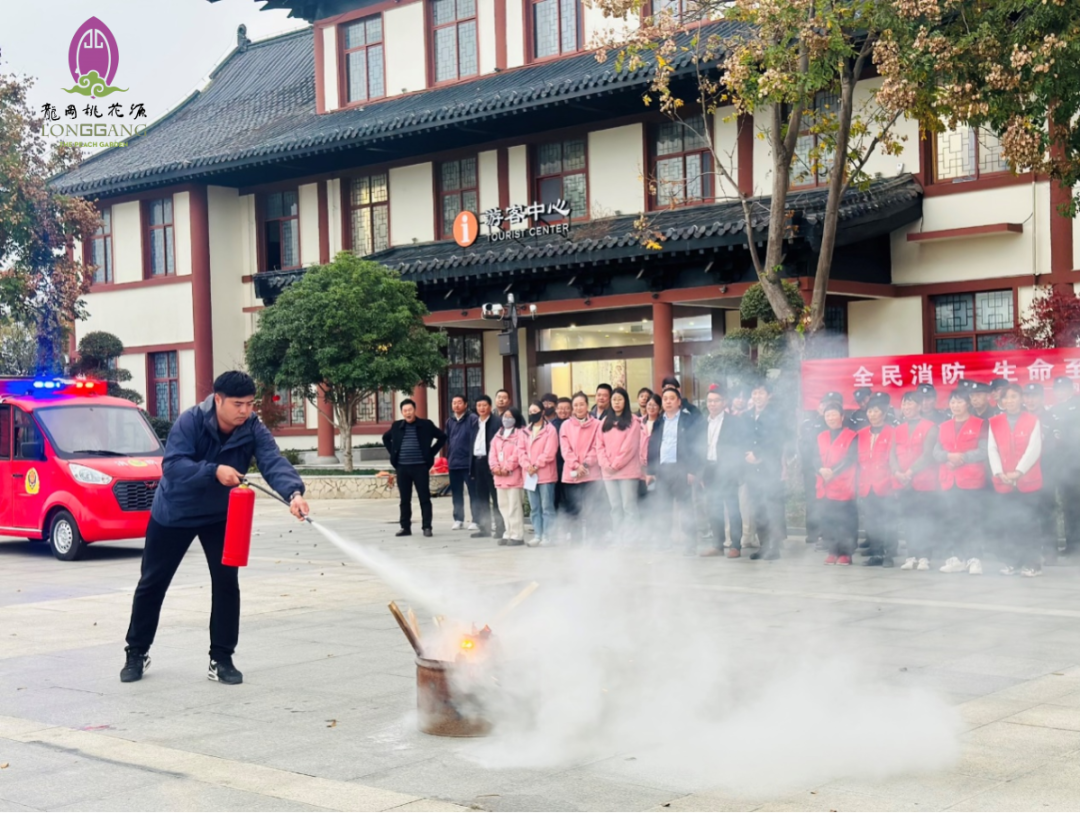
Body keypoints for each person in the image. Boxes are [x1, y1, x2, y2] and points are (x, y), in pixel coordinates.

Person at [121, 371, 309, 685]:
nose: (245, 411)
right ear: (218, 399)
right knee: (152, 583)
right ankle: (136, 652)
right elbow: (173, 464)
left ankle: (221, 658)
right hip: (174, 513)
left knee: (226, 582)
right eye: (238, 404)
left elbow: (272, 460)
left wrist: (294, 493)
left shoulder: (252, 427)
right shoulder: (190, 421)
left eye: (250, 404)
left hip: (220, 516)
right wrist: (214, 471)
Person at [989, 383, 1044, 577]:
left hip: (1027, 481)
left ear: (1021, 399)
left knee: (1028, 524)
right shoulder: (994, 422)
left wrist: (1018, 472)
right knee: (1009, 523)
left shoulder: (1032, 419)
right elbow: (992, 449)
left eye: (1014, 397)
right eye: (1006, 398)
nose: (1010, 401)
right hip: (1004, 481)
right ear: (1000, 401)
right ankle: (1013, 561)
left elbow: (1034, 449)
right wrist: (999, 473)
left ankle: (1033, 563)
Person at [934, 389, 988, 575]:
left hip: (971, 479)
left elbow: (984, 450)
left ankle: (974, 558)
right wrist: (948, 456)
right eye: (952, 402)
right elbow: (936, 452)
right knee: (953, 519)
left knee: (971, 520)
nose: (955, 406)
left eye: (959, 402)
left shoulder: (980, 424)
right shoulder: (944, 426)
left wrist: (962, 457)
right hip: (949, 479)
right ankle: (956, 557)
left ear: (968, 404)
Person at [644, 387, 701, 555]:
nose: (668, 401)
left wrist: (692, 469)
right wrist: (651, 470)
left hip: (681, 469)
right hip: (662, 469)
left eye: (671, 398)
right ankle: (664, 541)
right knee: (663, 507)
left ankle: (690, 544)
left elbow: (694, 446)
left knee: (685, 507)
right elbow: (652, 445)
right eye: (665, 398)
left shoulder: (687, 420)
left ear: (678, 401)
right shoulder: (659, 421)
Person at [383, 399, 446, 538]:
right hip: (402, 468)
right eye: (405, 411)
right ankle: (405, 527)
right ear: (402, 412)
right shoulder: (397, 426)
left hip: (420, 468)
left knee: (424, 498)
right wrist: (393, 453)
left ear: (415, 410)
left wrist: (430, 453)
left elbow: (442, 437)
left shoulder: (426, 425)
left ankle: (427, 527)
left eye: (410, 410)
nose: (408, 413)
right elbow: (385, 438)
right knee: (404, 500)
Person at [891, 391, 939, 571]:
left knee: (924, 520)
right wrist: (897, 471)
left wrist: (909, 472)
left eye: (910, 403)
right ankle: (911, 555)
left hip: (924, 482)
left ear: (919, 406)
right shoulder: (898, 429)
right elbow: (892, 454)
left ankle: (925, 556)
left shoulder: (931, 427)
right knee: (909, 519)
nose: (906, 407)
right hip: (903, 482)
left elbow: (928, 455)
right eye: (904, 404)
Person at [699, 386, 744, 558]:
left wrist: (737, 469)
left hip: (727, 468)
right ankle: (717, 544)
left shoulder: (734, 422)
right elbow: (699, 447)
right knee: (713, 507)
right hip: (709, 468)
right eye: (710, 401)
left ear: (724, 402)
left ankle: (735, 545)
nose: (713, 404)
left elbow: (739, 447)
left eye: (716, 400)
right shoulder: (703, 422)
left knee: (732, 507)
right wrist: (701, 471)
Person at [745, 381, 786, 560]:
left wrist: (758, 455)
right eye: (754, 393)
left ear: (769, 395)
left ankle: (774, 548)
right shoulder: (747, 416)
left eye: (761, 393)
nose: (757, 396)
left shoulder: (776, 415)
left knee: (772, 507)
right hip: (751, 468)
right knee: (758, 508)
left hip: (770, 467)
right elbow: (741, 437)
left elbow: (776, 439)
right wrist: (745, 455)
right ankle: (763, 546)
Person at [597, 386, 643, 548]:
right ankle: (619, 537)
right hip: (608, 473)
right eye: (614, 400)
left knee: (628, 506)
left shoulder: (633, 421)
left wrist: (615, 464)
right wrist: (606, 464)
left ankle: (631, 539)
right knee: (615, 507)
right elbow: (599, 446)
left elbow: (629, 447)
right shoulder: (604, 422)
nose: (617, 403)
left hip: (627, 472)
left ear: (626, 401)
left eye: (620, 399)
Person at [814, 402, 858, 565]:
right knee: (828, 519)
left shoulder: (851, 435)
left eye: (834, 414)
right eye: (827, 415)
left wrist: (833, 471)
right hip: (825, 485)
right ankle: (832, 550)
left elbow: (850, 458)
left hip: (844, 485)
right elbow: (814, 457)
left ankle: (846, 553)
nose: (831, 418)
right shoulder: (820, 436)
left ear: (841, 416)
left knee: (845, 520)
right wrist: (820, 469)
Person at [858, 393, 897, 567]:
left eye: (876, 411)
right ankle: (876, 553)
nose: (872, 415)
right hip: (867, 485)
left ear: (884, 412)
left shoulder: (893, 433)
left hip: (886, 484)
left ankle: (889, 554)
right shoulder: (861, 434)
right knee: (872, 521)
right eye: (870, 411)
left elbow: (894, 460)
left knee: (888, 520)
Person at [560, 392, 604, 546]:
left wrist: (585, 465)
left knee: (593, 507)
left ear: (587, 405)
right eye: (576, 405)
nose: (579, 408)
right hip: (571, 475)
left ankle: (594, 539)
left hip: (591, 474)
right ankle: (576, 539)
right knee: (573, 509)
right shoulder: (565, 425)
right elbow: (565, 449)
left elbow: (597, 447)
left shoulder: (597, 425)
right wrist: (576, 465)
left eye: (582, 404)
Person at [799, 392, 838, 551]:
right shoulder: (809, 423)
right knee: (812, 500)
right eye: (823, 404)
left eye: (829, 404)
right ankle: (813, 532)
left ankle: (826, 534)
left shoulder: (831, 424)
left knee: (827, 502)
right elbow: (804, 446)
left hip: (829, 470)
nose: (825, 408)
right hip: (811, 469)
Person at [1024, 382, 1058, 564]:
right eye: (1027, 396)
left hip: (1045, 471)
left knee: (1045, 510)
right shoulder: (1019, 417)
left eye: (1034, 396)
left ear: (1042, 398)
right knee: (1026, 512)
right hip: (1022, 472)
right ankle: (1031, 549)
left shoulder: (1050, 418)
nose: (1030, 400)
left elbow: (1054, 446)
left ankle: (1050, 550)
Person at [1050, 376, 1080, 555]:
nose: (1061, 393)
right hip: (1064, 466)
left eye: (1064, 389)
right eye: (1058, 390)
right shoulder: (1054, 410)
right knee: (1068, 507)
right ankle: (1072, 545)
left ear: (1072, 389)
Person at [523, 400, 559, 547]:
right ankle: (537, 534)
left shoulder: (550, 430)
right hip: (530, 476)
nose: (533, 414)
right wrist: (527, 466)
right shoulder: (526, 430)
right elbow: (521, 451)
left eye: (535, 411)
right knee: (535, 507)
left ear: (543, 412)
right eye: (530, 412)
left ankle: (548, 535)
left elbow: (550, 452)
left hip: (545, 475)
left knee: (547, 507)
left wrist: (536, 465)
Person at [490, 407, 528, 546]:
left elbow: (519, 452)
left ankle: (517, 535)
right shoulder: (498, 434)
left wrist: (507, 467)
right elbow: (492, 452)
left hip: (514, 476)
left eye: (510, 416)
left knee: (514, 507)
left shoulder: (520, 433)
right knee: (503, 506)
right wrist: (495, 467)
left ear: (516, 418)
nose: (506, 418)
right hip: (499, 477)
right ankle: (508, 532)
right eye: (505, 416)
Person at [469, 395, 504, 540]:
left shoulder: (497, 422)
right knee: (481, 497)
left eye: (484, 405)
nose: (481, 408)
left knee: (496, 497)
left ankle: (501, 529)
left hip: (492, 463)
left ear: (490, 407)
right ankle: (485, 527)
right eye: (479, 406)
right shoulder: (474, 423)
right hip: (477, 462)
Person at [444, 394, 479, 532]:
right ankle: (458, 519)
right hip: (454, 463)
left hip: (468, 463)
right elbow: (448, 440)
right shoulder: (450, 421)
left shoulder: (472, 419)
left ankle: (476, 520)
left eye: (459, 402)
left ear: (465, 404)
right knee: (456, 493)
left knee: (473, 492)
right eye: (454, 403)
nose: (456, 405)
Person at [552, 396, 573, 510]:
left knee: (570, 498)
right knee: (555, 497)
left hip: (571, 465)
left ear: (571, 410)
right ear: (555, 409)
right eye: (560, 408)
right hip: (555, 466)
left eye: (566, 408)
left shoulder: (574, 424)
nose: (563, 411)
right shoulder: (550, 426)